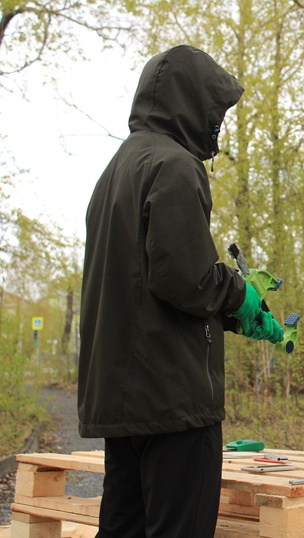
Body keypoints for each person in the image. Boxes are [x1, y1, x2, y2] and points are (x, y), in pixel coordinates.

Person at [78, 45, 284, 538]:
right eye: (215, 111)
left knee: (124, 527)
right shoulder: (174, 165)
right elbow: (183, 276)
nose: (218, 123)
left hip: (124, 400)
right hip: (173, 398)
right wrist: (240, 297)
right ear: (191, 104)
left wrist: (226, 305)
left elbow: (145, 278)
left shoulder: (116, 169)